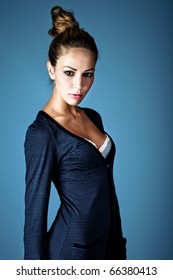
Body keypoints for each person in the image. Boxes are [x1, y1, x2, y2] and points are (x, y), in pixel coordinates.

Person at [24, 5, 126, 260]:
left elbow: (108, 189)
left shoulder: (92, 117)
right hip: (71, 252)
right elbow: (35, 217)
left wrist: (117, 246)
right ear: (52, 70)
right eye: (69, 73)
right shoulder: (43, 133)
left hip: (107, 247)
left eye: (87, 74)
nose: (79, 85)